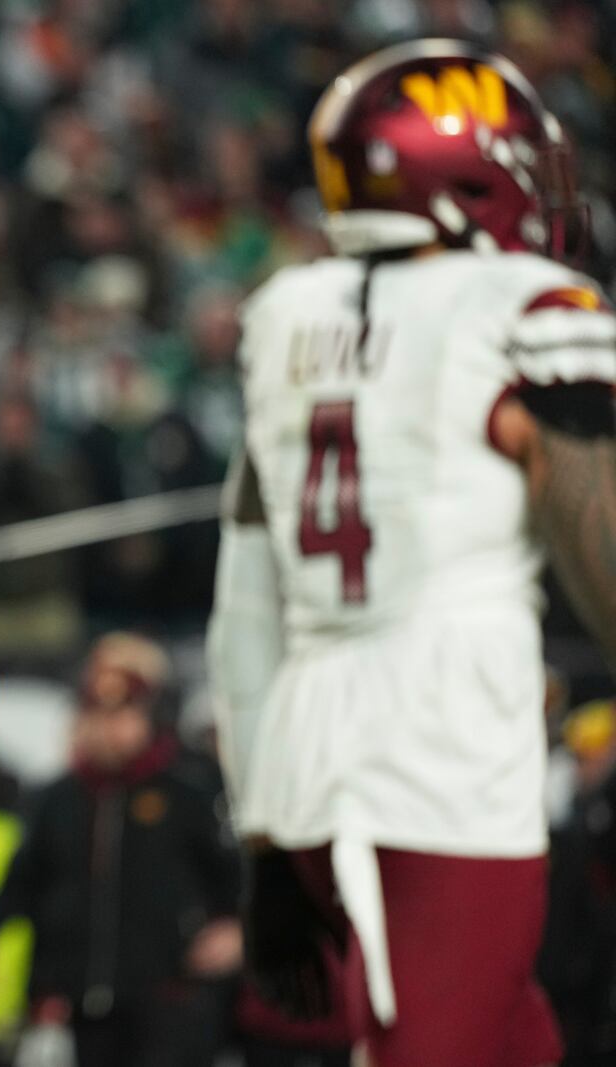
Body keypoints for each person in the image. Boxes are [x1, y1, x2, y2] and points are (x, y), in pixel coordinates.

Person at [207, 39, 616, 1067]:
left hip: (305, 746)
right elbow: (597, 532)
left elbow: (246, 599)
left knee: (512, 1035)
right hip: (444, 742)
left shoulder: (282, 314)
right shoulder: (522, 304)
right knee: (430, 1047)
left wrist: (260, 830)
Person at [0, 633, 241, 1067]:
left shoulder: (188, 793)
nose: (111, 726)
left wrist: (238, 928)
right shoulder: (58, 798)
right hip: (78, 1003)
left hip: (170, 999)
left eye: (125, 711)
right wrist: (6, 952)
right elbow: (28, 885)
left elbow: (235, 877)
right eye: (99, 711)